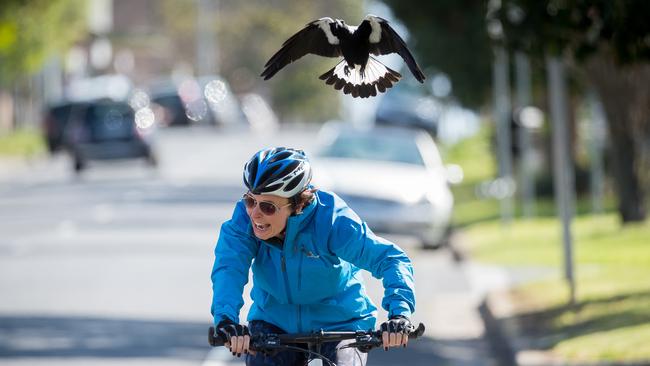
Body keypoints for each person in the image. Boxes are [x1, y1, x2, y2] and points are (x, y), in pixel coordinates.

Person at [211, 147, 416, 366]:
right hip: (274, 322)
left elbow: (390, 259)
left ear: (297, 204)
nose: (254, 213)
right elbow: (229, 268)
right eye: (250, 201)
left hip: (340, 323)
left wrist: (399, 315)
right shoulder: (244, 221)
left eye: (268, 206)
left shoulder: (332, 221)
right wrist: (226, 320)